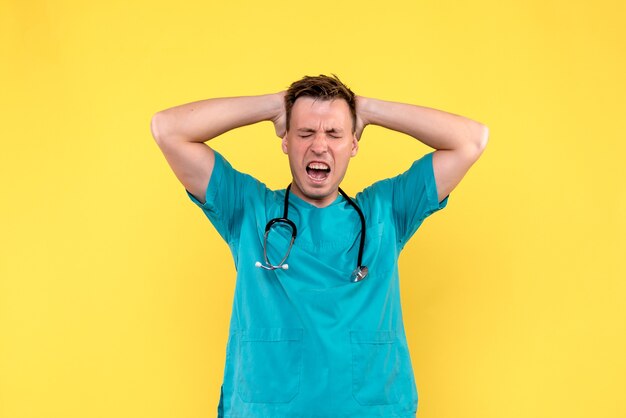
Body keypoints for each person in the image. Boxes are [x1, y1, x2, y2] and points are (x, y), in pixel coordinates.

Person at [150, 74, 488, 418]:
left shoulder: (386, 212)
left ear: (354, 143)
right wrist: (273, 106)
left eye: (335, 133)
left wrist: (368, 110)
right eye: (305, 132)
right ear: (286, 140)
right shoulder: (248, 210)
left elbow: (471, 140)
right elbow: (168, 130)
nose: (319, 145)